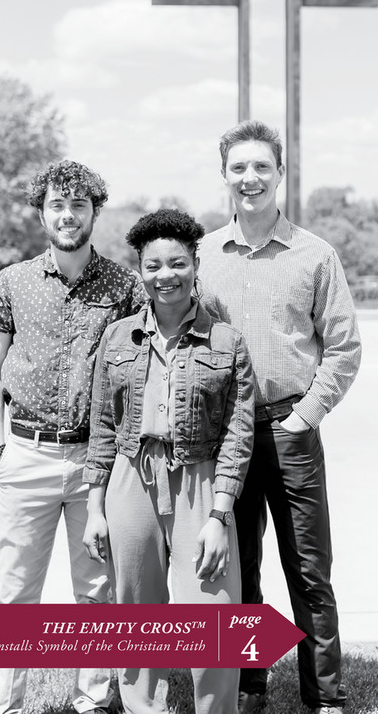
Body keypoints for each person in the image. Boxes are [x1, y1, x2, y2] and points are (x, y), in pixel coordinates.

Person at [197, 121, 362, 714]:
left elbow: (343, 348)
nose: (250, 178)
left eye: (261, 166)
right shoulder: (203, 257)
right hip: (226, 437)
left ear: (280, 173)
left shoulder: (315, 256)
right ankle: (249, 685)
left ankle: (326, 696)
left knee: (309, 571)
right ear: (224, 177)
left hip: (291, 430)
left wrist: (304, 417)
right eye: (238, 167)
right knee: (238, 573)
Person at [0, 159, 145, 714]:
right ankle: (3, 705)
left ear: (95, 210)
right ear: (41, 211)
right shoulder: (12, 283)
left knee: (96, 592)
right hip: (26, 453)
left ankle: (92, 701)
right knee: (16, 591)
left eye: (78, 204)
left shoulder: (124, 286)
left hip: (96, 464)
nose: (67, 215)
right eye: (57, 204)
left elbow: (137, 371)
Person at [82, 208, 255, 714]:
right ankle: (143, 708)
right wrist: (95, 507)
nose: (166, 276)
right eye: (154, 266)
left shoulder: (226, 342)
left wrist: (220, 515)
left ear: (195, 264)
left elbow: (237, 435)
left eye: (177, 263)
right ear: (141, 270)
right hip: (130, 475)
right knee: (134, 610)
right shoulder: (117, 339)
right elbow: (102, 428)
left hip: (199, 481)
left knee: (214, 613)